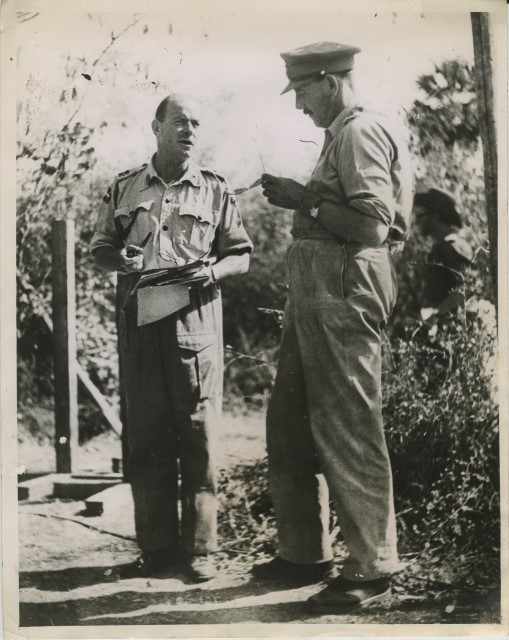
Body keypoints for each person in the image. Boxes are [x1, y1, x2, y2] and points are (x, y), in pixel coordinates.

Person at [252, 42, 413, 612]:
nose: (298, 105)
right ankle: (303, 552)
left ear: (329, 81)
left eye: (301, 91)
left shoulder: (360, 132)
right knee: (290, 422)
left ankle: (372, 567)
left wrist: (305, 201)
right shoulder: (340, 133)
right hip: (320, 288)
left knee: (349, 423)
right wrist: (307, 203)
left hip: (344, 287)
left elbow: (373, 228)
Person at [90, 93, 253, 582]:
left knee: (199, 437)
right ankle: (157, 551)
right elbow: (101, 247)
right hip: (141, 322)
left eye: (196, 124)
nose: (190, 131)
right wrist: (118, 259)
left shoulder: (214, 188)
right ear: (157, 126)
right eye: (181, 122)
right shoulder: (124, 186)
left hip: (195, 323)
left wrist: (214, 273)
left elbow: (241, 254)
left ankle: (200, 551)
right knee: (146, 437)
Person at [413, 188, 474, 323]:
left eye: (420, 216)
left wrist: (437, 313)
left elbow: (467, 288)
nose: (416, 222)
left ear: (435, 216)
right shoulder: (438, 249)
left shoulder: (452, 246)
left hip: (452, 326)